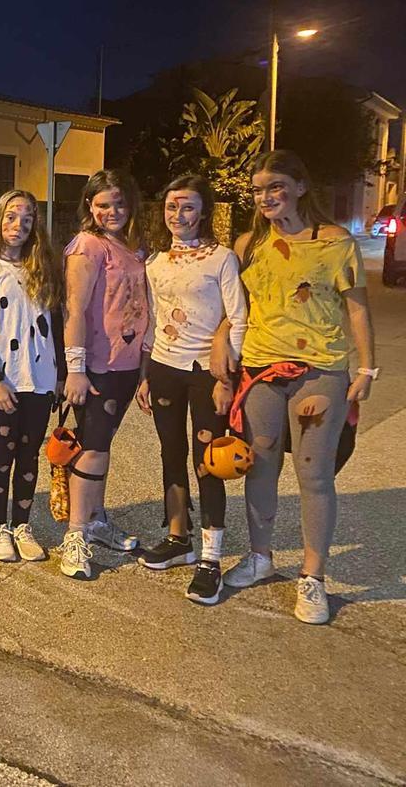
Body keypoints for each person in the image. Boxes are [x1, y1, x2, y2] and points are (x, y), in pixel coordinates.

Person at [218, 150, 375, 625]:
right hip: (262, 369)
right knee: (259, 464)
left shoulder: (335, 243)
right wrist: (221, 338)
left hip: (320, 371)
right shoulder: (248, 244)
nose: (265, 197)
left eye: (276, 187)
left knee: (313, 473)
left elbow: (358, 309)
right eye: (259, 190)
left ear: (301, 187)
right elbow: (236, 305)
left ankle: (313, 578)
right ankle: (261, 557)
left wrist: (366, 369)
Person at [135, 176, 247, 605]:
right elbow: (152, 319)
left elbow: (238, 317)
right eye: (171, 207)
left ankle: (211, 558)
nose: (178, 215)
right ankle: (178, 538)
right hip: (164, 367)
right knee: (170, 453)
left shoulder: (222, 259)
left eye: (187, 207)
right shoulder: (156, 261)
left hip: (206, 373)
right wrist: (145, 373)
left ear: (203, 211)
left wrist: (226, 379)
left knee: (209, 462)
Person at [60, 169, 151, 579]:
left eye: (117, 203)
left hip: (127, 365)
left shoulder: (133, 248)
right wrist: (75, 370)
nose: (111, 211)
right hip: (97, 364)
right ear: (89, 207)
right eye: (102, 204)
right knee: (92, 445)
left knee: (103, 444)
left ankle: (95, 518)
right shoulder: (88, 246)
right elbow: (75, 309)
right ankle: (75, 537)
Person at [0, 191, 64, 566]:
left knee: (29, 452)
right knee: (2, 451)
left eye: (26, 219)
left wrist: (61, 376)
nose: (18, 226)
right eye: (11, 217)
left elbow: (55, 323)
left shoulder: (44, 267)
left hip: (40, 377)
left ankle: (21, 524)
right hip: (5, 379)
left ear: (35, 224)